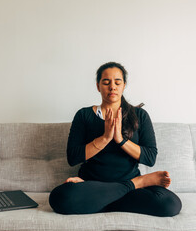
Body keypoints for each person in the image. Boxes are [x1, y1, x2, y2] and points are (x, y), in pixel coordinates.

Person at [49, 62, 182, 216]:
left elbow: (150, 158)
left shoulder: (140, 116)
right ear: (98, 86)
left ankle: (101, 201)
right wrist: (105, 138)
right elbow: (73, 157)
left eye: (117, 82)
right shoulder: (84, 115)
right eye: (106, 82)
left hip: (103, 192)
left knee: (170, 204)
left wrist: (120, 140)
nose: (112, 87)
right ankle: (135, 184)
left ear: (124, 85)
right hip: (93, 185)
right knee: (59, 198)